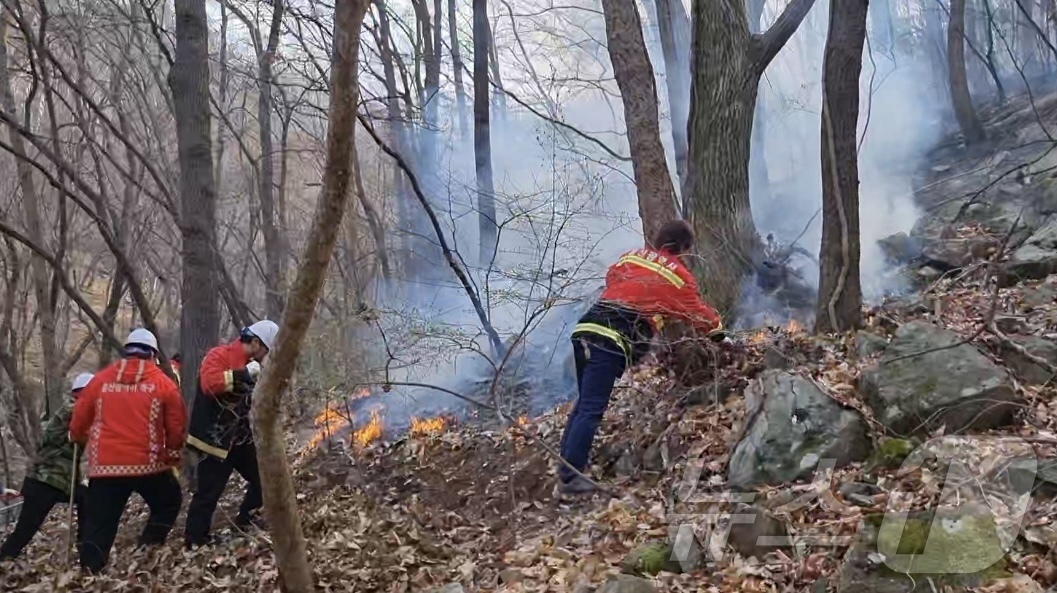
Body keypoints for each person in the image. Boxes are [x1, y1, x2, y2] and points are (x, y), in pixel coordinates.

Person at [556, 220, 722, 495]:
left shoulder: (632, 256)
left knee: (584, 403)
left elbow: (612, 277)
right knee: (591, 408)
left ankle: (566, 468)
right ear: (683, 249)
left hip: (586, 327)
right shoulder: (678, 276)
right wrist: (721, 334)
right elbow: (698, 314)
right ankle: (571, 479)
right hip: (610, 340)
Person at [70, 329, 187, 573]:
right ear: (153, 354)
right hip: (148, 464)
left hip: (105, 467)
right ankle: (147, 550)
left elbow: (79, 420)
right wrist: (173, 453)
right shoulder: (163, 383)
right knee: (169, 501)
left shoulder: (100, 381)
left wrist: (78, 436)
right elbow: (176, 426)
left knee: (100, 523)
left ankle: (90, 572)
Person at [184, 320, 278, 547]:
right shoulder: (218, 355)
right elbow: (210, 385)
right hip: (214, 441)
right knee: (208, 493)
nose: (264, 358)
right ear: (255, 343)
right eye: (265, 351)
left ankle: (246, 521)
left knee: (263, 479)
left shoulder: (254, 365)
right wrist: (242, 374)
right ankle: (195, 540)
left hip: (241, 440)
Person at [0, 373, 93, 561]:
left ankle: (86, 548)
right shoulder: (73, 410)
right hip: (44, 483)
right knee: (24, 533)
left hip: (53, 481)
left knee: (87, 498)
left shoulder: (75, 410)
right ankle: (3, 559)